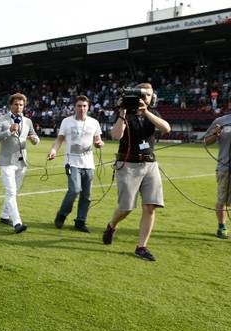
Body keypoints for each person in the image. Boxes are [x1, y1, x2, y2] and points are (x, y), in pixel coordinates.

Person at [103, 83, 171, 261]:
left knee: (150, 206)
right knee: (126, 208)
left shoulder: (152, 113)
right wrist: (122, 113)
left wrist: (146, 111)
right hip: (128, 165)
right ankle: (111, 225)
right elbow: (116, 135)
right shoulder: (125, 113)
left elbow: (166, 128)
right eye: (143, 95)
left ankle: (141, 247)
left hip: (149, 164)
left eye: (149, 95)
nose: (146, 98)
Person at [47, 95, 103, 232]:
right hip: (72, 162)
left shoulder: (94, 122)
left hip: (88, 164)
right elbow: (60, 139)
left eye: (84, 106)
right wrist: (53, 150)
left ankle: (80, 221)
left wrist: (99, 144)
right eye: (79, 106)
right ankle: (61, 215)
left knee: (86, 195)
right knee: (74, 190)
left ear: (88, 107)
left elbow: (98, 140)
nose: (82, 108)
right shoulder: (66, 121)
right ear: (74, 107)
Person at [0, 93, 40, 233]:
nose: (19, 107)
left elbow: (35, 137)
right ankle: (17, 223)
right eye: (16, 104)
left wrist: (34, 139)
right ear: (10, 105)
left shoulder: (28, 121)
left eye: (21, 105)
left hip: (21, 162)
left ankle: (4, 215)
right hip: (6, 161)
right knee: (11, 191)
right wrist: (8, 131)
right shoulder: (1, 120)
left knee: (14, 191)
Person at [204, 113, 231, 239]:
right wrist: (216, 134)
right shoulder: (221, 121)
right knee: (222, 201)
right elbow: (206, 142)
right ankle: (222, 227)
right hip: (225, 168)